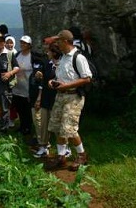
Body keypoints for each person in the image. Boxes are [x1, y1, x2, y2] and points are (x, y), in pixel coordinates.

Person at [45, 29, 92, 171]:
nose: (57, 44)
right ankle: (61, 157)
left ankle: (82, 155)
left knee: (69, 129)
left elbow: (87, 78)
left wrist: (66, 85)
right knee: (58, 127)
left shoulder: (78, 57)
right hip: (61, 95)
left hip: (73, 97)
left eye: (58, 41)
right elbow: (63, 76)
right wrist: (53, 82)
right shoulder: (64, 57)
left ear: (65, 41)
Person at [11, 35, 43, 137]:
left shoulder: (33, 56)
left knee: (27, 109)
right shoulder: (17, 55)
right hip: (17, 87)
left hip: (28, 87)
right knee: (19, 107)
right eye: (21, 42)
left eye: (25, 43)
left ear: (29, 45)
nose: (22, 45)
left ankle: (28, 127)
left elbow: (40, 66)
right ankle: (22, 125)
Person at [5, 35, 18, 127]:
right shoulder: (3, 53)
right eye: (8, 42)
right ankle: (5, 119)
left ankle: (12, 119)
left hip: (15, 81)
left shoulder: (17, 53)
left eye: (11, 42)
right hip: (4, 81)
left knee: (12, 101)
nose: (10, 45)